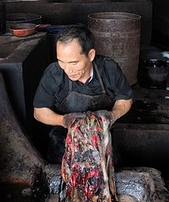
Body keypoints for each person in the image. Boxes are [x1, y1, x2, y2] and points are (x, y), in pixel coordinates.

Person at [33, 24, 133, 163]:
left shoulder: (109, 69)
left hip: (102, 141)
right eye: (62, 62)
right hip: (64, 143)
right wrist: (64, 121)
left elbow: (125, 99)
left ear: (90, 55)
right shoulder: (53, 73)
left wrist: (112, 115)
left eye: (74, 63)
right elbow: (39, 112)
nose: (68, 69)